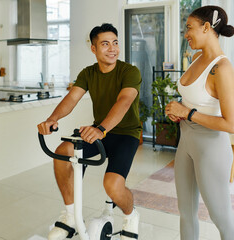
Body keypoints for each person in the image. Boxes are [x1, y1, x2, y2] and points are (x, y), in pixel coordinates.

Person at [37, 23, 142, 240]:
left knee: (112, 185)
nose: (112, 48)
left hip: (125, 134)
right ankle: (71, 216)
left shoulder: (129, 71)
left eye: (115, 43)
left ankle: (131, 216)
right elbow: (71, 98)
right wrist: (52, 118)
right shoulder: (88, 73)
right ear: (93, 49)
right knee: (62, 152)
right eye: (105, 44)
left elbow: (124, 102)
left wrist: (101, 129)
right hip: (100, 131)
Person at [165, 5, 234, 240]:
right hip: (186, 143)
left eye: (189, 28)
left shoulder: (222, 68)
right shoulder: (196, 57)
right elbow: (196, 98)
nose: (185, 34)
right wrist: (178, 111)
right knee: (186, 213)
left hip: (211, 148)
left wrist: (187, 113)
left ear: (206, 27)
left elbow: (231, 125)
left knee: (222, 218)